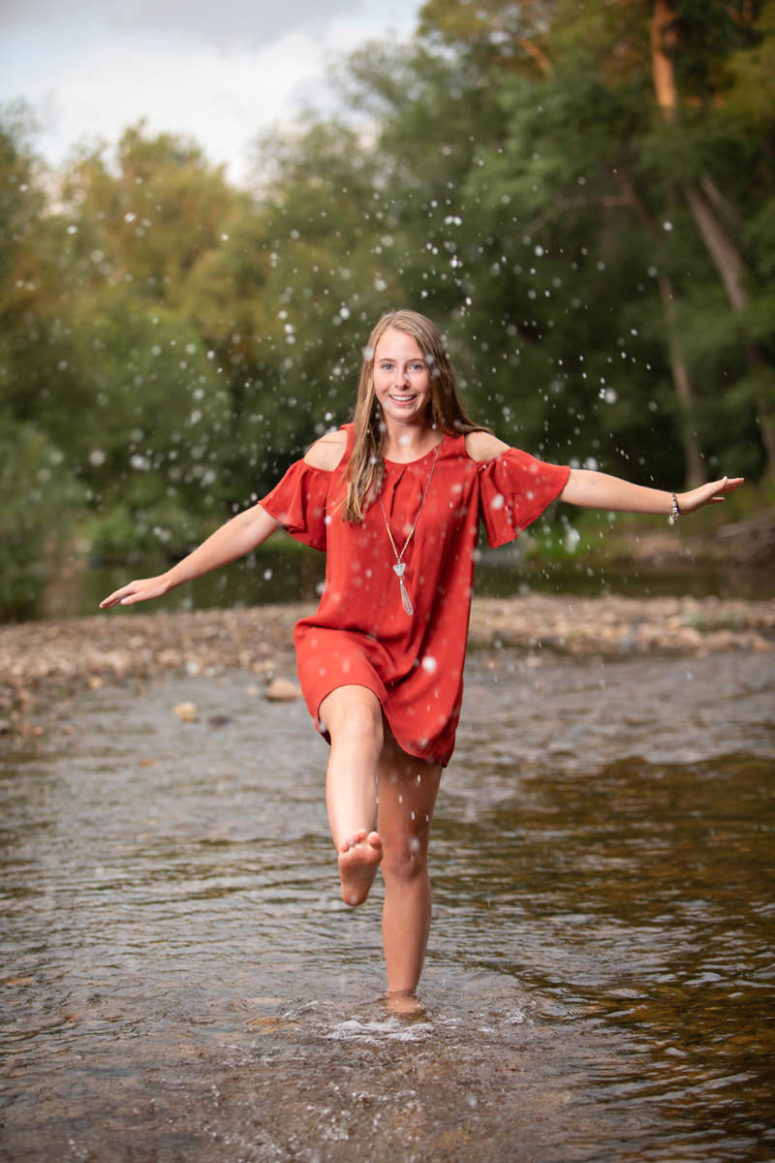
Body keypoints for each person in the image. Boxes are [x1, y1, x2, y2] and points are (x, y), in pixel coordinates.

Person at [100, 309, 743, 1003]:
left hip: (427, 663)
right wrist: (169, 577)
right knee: (355, 723)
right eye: (386, 367)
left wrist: (676, 500)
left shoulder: (470, 457)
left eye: (413, 366)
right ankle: (351, 844)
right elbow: (255, 522)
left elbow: (570, 482)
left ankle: (401, 1002)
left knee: (406, 855)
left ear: (434, 373)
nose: (400, 381)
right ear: (369, 376)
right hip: (343, 635)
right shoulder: (334, 455)